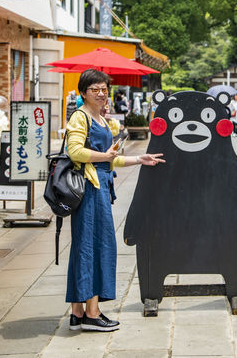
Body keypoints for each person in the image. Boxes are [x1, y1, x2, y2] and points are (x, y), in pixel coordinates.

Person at [65, 69, 164, 332]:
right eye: (94, 89)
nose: (101, 93)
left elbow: (111, 158)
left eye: (104, 88)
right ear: (83, 92)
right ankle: (92, 313)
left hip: (100, 186)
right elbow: (74, 152)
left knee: (86, 246)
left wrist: (139, 159)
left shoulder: (101, 119)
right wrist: (105, 157)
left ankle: (77, 312)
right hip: (89, 190)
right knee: (94, 246)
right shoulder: (80, 117)